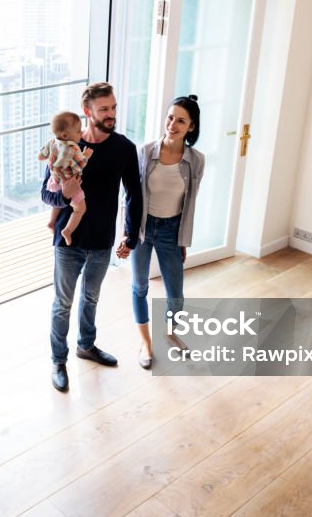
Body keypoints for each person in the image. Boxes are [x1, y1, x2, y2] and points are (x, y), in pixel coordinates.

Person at [41, 82, 143, 391]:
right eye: (104, 109)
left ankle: (86, 345)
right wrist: (65, 197)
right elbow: (46, 193)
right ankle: (59, 360)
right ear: (87, 112)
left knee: (91, 297)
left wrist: (130, 235)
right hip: (68, 241)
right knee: (63, 303)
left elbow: (134, 195)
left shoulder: (124, 148)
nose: (111, 114)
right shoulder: (64, 145)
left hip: (101, 240)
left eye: (113, 108)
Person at [132, 95, 205, 369]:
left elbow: (190, 204)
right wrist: (128, 235)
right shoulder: (146, 151)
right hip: (143, 228)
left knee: (176, 296)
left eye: (181, 120)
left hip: (171, 230)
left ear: (191, 127)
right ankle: (146, 344)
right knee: (139, 287)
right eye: (170, 117)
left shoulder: (196, 161)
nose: (172, 124)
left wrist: (183, 240)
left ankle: (169, 332)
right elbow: (133, 198)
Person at [38, 111, 94, 245]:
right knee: (80, 209)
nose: (81, 133)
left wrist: (52, 159)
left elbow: (40, 157)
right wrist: (86, 155)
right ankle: (67, 230)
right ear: (65, 135)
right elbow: (80, 165)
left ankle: (52, 222)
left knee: (57, 204)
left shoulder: (52, 142)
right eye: (78, 131)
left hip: (54, 182)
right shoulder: (73, 148)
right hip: (69, 183)